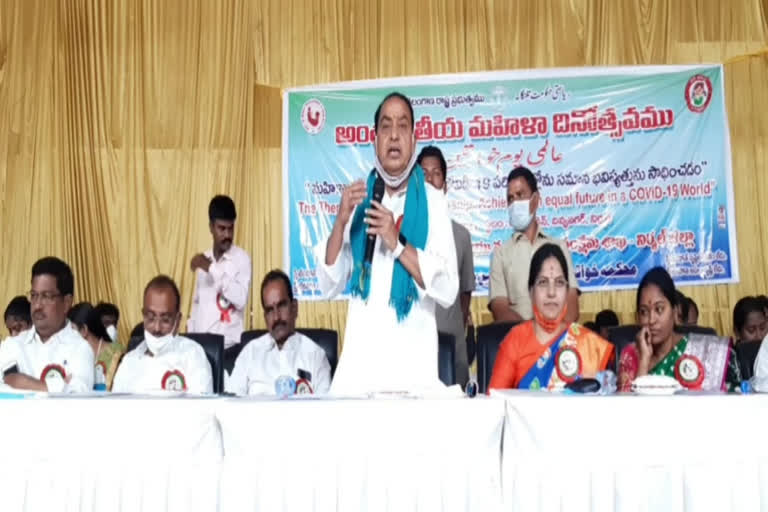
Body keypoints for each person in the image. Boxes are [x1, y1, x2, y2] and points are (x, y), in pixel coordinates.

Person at [316, 92, 458, 394]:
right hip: (359, 376)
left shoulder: (434, 202)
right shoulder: (357, 199)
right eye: (386, 126)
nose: (394, 135)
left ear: (414, 138)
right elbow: (329, 283)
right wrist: (340, 224)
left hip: (413, 376)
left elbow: (447, 289)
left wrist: (396, 243)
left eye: (403, 126)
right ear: (375, 138)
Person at [488, 244, 613, 390]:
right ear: (531, 291)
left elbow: (601, 407)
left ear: (567, 291)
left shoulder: (587, 343)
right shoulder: (515, 340)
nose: (551, 292)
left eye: (559, 283)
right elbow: (495, 403)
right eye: (543, 282)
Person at [618, 267, 739, 392]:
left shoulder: (701, 351)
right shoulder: (630, 355)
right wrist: (644, 361)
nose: (651, 320)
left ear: (675, 312)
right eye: (644, 312)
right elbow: (629, 410)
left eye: (659, 309)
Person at [488, 166, 579, 324]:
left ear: (535, 200)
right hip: (519, 343)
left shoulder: (559, 248)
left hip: (557, 342)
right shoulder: (501, 254)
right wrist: (532, 338)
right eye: (510, 198)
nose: (514, 203)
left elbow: (572, 305)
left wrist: (551, 335)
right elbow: (499, 309)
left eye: (520, 195)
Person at [418, 145, 475, 386]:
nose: (430, 180)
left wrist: (453, 328)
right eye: (423, 174)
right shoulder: (405, 234)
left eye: (436, 173)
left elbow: (465, 295)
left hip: (453, 349)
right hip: (416, 350)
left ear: (446, 185)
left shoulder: (461, 236)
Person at [228, 270, 331, 396]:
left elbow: (324, 410)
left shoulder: (315, 356)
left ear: (294, 307)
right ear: (265, 316)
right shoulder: (249, 354)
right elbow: (231, 405)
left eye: (282, 306)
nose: (276, 317)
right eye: (270, 310)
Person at [0, 257, 94, 392]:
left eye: (46, 296)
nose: (37, 305)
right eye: (34, 295)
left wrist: (22, 382)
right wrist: (58, 387)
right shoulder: (12, 346)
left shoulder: (80, 349)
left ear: (67, 302)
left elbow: (75, 398)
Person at [113, 275, 213, 394]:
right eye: (150, 318)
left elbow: (203, 409)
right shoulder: (129, 362)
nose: (157, 328)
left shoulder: (193, 356)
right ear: (143, 316)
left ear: (177, 320)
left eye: (165, 320)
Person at [188, 195, 252, 350]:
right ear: (211, 227)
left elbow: (240, 299)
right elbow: (197, 305)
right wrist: (190, 338)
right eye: (221, 229)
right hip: (201, 346)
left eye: (231, 228)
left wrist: (211, 268)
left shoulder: (242, 259)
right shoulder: (205, 259)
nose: (227, 235)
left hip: (230, 348)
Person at [68, 303, 124, 390]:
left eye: (71, 330)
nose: (67, 336)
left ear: (84, 330)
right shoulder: (73, 357)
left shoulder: (118, 356)